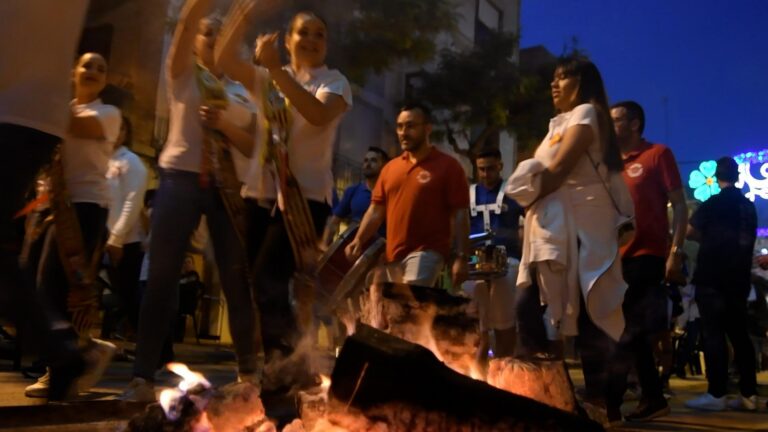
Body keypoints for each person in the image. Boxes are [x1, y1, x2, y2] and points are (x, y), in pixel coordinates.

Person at [122, 0, 262, 401]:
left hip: (226, 187)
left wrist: (224, 126)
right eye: (207, 33)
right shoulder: (183, 73)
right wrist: (196, 12)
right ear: (197, 40)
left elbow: (255, 146)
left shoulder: (242, 92)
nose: (213, 39)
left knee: (237, 279)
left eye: (221, 34)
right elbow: (183, 26)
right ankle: (141, 376)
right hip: (180, 179)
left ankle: (248, 374)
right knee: (162, 276)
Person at [216, 5, 352, 373]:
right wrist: (243, 14)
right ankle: (289, 359)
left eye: (319, 34)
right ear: (286, 39)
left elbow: (318, 114)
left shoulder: (334, 82)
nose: (311, 39)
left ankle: (286, 363)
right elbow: (224, 58)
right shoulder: (266, 78)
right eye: (302, 32)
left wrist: (275, 68)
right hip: (259, 194)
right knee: (256, 281)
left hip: (304, 199)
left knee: (268, 277)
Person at [505, 56, 632, 425]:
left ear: (584, 81)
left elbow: (558, 170)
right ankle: (556, 397)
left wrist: (521, 192)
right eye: (553, 79)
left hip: (579, 229)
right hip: (555, 229)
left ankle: (594, 403)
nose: (554, 85)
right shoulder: (560, 123)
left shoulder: (587, 114)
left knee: (582, 312)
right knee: (534, 309)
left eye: (564, 78)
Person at [23, 51, 122, 398]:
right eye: (86, 65)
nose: (93, 71)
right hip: (53, 208)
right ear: (73, 73)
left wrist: (37, 94)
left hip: (85, 208)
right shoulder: (59, 109)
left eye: (100, 68)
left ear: (105, 80)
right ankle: (76, 354)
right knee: (36, 285)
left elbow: (76, 126)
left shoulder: (107, 114)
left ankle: (68, 368)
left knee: (61, 289)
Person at [607, 100, 687, 421]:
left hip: (647, 256)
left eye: (615, 120)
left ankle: (609, 402)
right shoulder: (610, 164)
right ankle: (653, 397)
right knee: (630, 330)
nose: (609, 127)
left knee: (626, 329)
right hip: (615, 259)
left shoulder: (658, 155)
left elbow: (680, 206)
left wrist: (675, 252)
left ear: (635, 124)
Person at [346, 103, 470, 289]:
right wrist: (359, 239)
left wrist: (462, 257)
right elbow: (376, 211)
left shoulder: (449, 166)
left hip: (427, 253)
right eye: (400, 126)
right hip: (391, 256)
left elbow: (461, 214)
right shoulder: (389, 169)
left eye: (410, 126)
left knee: (409, 304)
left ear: (427, 128)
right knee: (391, 312)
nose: (403, 132)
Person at [684, 157, 758, 412]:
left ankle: (717, 393)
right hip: (739, 279)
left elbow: (689, 232)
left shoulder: (712, 204)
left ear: (717, 177)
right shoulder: (748, 207)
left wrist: (710, 238)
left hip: (712, 278)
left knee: (713, 334)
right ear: (738, 176)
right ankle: (749, 394)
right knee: (740, 335)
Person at [463, 148, 524, 358]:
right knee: (475, 318)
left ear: (500, 166)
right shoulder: (469, 194)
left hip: (508, 259)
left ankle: (504, 363)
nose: (485, 174)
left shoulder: (513, 192)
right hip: (476, 260)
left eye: (490, 168)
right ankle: (479, 368)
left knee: (503, 318)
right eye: (481, 169)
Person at [101, 117, 149, 340]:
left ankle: (154, 348)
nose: (116, 132)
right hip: (102, 237)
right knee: (120, 293)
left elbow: (132, 202)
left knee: (129, 295)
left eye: (122, 128)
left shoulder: (130, 161)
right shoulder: (100, 158)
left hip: (125, 241)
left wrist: (117, 238)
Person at [321, 146, 389, 246]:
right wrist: (325, 245)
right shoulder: (353, 191)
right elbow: (334, 221)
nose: (368, 164)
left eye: (373, 160)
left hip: (377, 252)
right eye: (365, 160)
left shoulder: (390, 193)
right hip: (351, 248)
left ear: (384, 165)